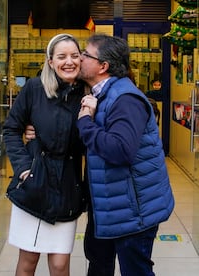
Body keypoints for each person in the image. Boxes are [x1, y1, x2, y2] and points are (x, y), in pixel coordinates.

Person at [77, 34, 174, 276]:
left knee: (135, 270)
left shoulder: (125, 98)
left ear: (103, 66)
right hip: (111, 207)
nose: (79, 58)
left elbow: (120, 150)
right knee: (99, 263)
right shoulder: (103, 93)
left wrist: (85, 123)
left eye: (85, 54)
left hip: (133, 212)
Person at [2, 33, 87, 276]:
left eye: (74, 55)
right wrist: (24, 168)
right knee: (28, 261)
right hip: (34, 186)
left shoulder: (87, 94)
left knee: (60, 265)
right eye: (61, 57)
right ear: (50, 61)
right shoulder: (34, 88)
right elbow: (11, 129)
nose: (68, 62)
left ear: (81, 59)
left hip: (67, 188)